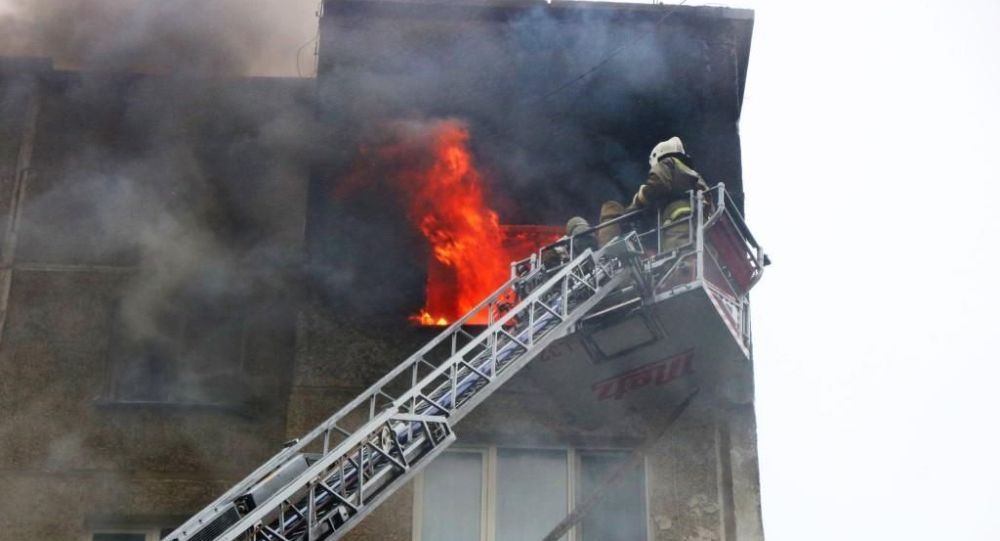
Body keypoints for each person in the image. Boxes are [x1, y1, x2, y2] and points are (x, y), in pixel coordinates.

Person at [627, 136, 708, 252]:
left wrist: (639, 200)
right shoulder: (695, 177)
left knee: (677, 255)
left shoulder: (667, 162)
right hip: (699, 224)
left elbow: (658, 184)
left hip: (678, 221)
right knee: (695, 254)